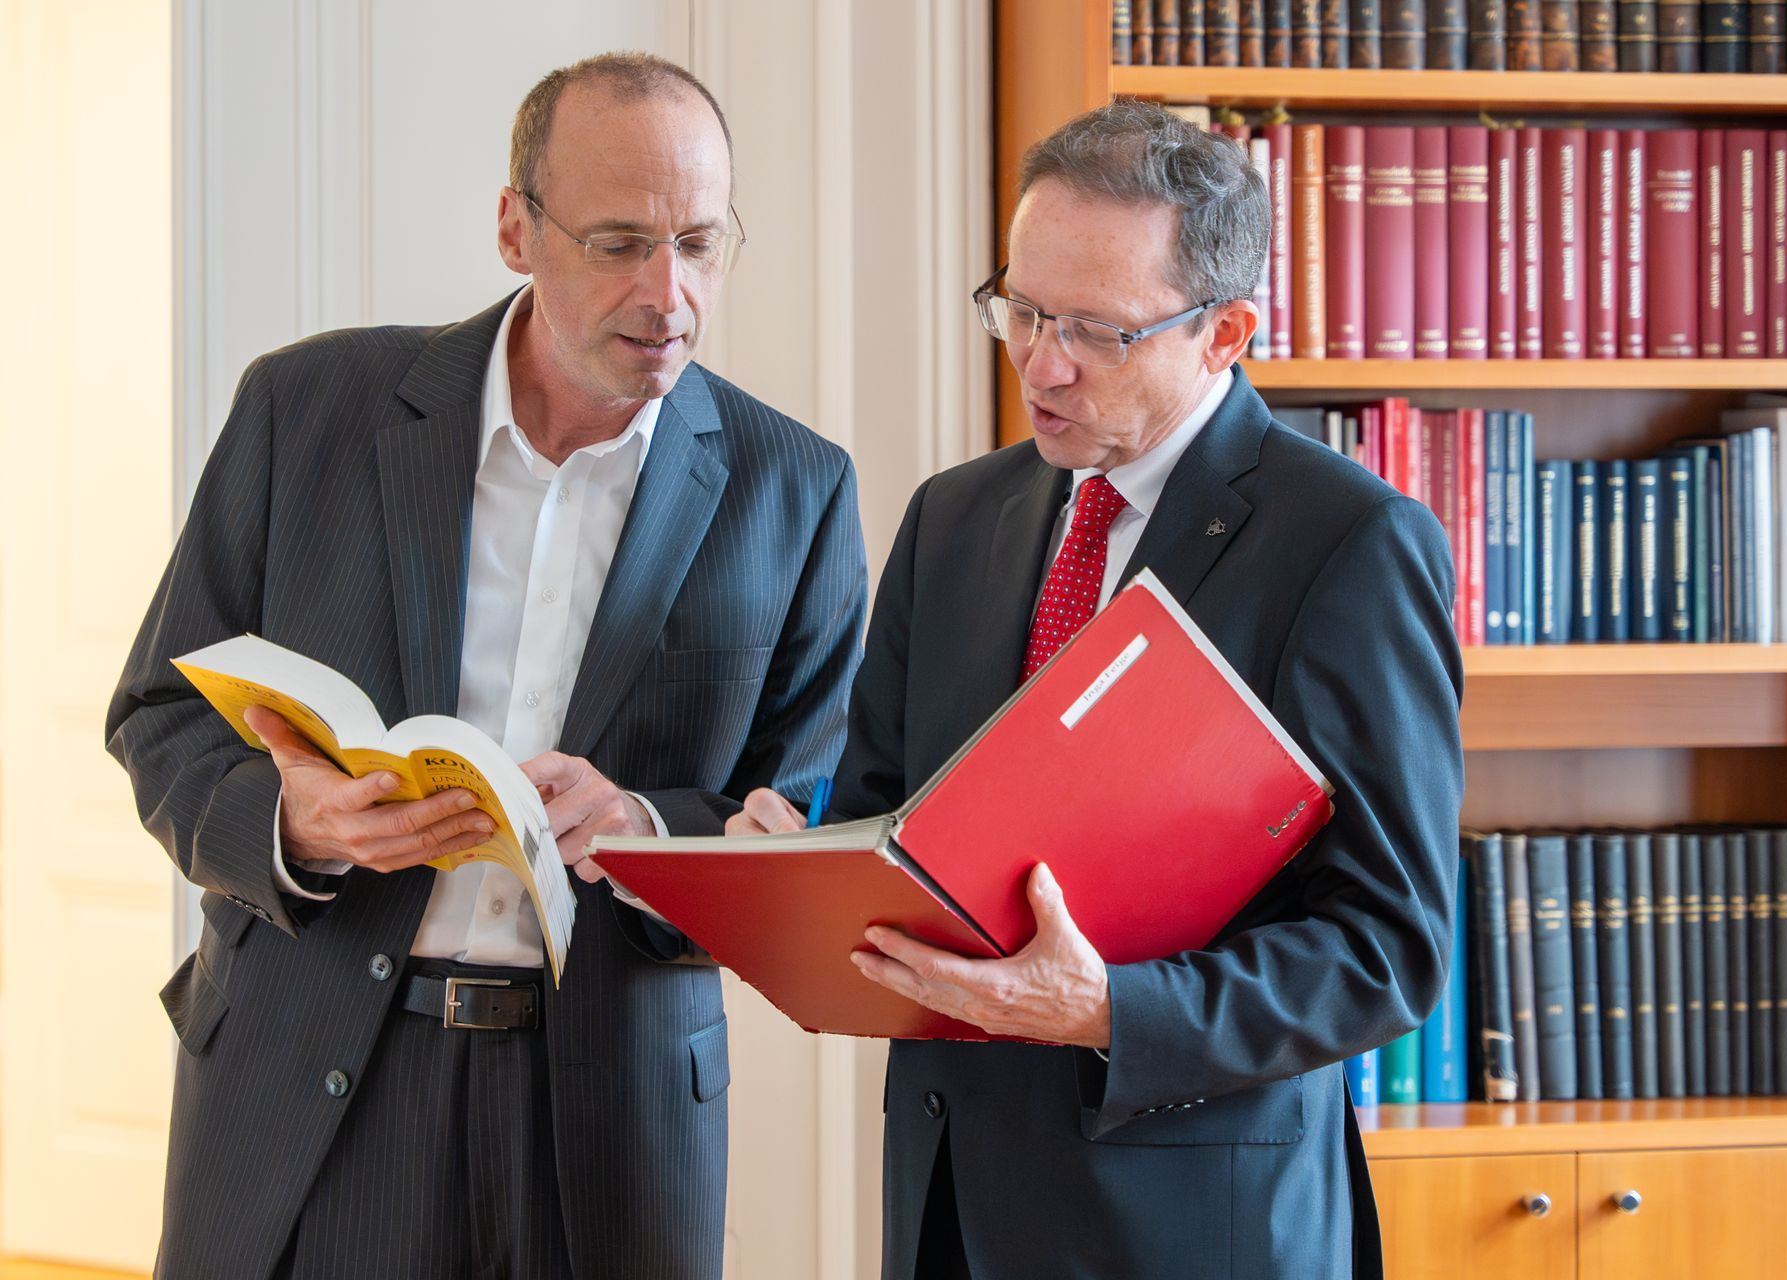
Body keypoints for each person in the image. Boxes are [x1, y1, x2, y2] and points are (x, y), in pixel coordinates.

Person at [107, 52, 865, 1280]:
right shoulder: (304, 410)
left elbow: (817, 808)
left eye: (701, 243)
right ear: (517, 227)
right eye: (619, 241)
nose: (667, 292)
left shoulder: (797, 486)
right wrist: (290, 818)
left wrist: (641, 826)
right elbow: (157, 713)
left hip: (611, 1113)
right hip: (309, 1076)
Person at [730, 100, 1463, 1279]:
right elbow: (892, 813)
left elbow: (1388, 947)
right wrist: (801, 854)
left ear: (1226, 332)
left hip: (1196, 1225)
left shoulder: (1351, 543)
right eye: (1020, 309)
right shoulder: (953, 516)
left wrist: (1111, 1006)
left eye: (1096, 330)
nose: (1042, 361)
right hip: (955, 1205)